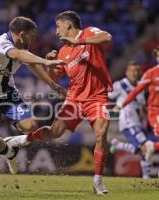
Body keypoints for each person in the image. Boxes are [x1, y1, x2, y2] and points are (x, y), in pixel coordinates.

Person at [6, 11, 113, 194]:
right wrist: (50, 63)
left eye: (58, 26)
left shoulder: (88, 33)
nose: (56, 32)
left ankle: (97, 181)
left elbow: (107, 37)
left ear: (68, 25)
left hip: (97, 97)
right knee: (55, 132)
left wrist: (79, 42)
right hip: (74, 100)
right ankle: (20, 140)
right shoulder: (63, 51)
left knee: (101, 133)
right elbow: (55, 76)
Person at [0, 16, 65, 174]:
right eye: (31, 36)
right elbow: (18, 55)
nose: (33, 39)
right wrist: (46, 62)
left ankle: (12, 142)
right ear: (22, 34)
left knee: (31, 126)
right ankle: (10, 152)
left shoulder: (21, 48)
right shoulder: (2, 44)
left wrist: (52, 84)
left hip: (7, 93)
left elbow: (31, 63)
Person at [108, 61, 159, 179]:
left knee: (144, 148)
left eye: (136, 71)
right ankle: (146, 176)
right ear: (126, 72)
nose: (134, 73)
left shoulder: (141, 89)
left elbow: (142, 108)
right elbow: (108, 95)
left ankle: (118, 144)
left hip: (138, 123)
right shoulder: (120, 85)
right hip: (127, 123)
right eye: (131, 71)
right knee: (145, 147)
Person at [117, 46, 159, 153]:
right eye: (158, 56)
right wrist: (121, 104)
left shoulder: (141, 96)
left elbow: (142, 104)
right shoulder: (151, 74)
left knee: (142, 151)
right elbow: (135, 91)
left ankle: (151, 147)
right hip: (154, 113)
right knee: (141, 148)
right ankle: (118, 145)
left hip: (140, 122)